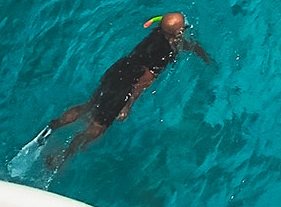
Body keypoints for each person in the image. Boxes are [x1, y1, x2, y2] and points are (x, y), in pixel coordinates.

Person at [40, 13, 211, 171]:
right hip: (128, 83)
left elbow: (172, 31)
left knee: (91, 104)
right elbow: (145, 79)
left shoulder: (157, 32)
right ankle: (62, 157)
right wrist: (128, 104)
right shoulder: (167, 50)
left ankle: (53, 126)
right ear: (177, 33)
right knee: (98, 126)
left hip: (119, 68)